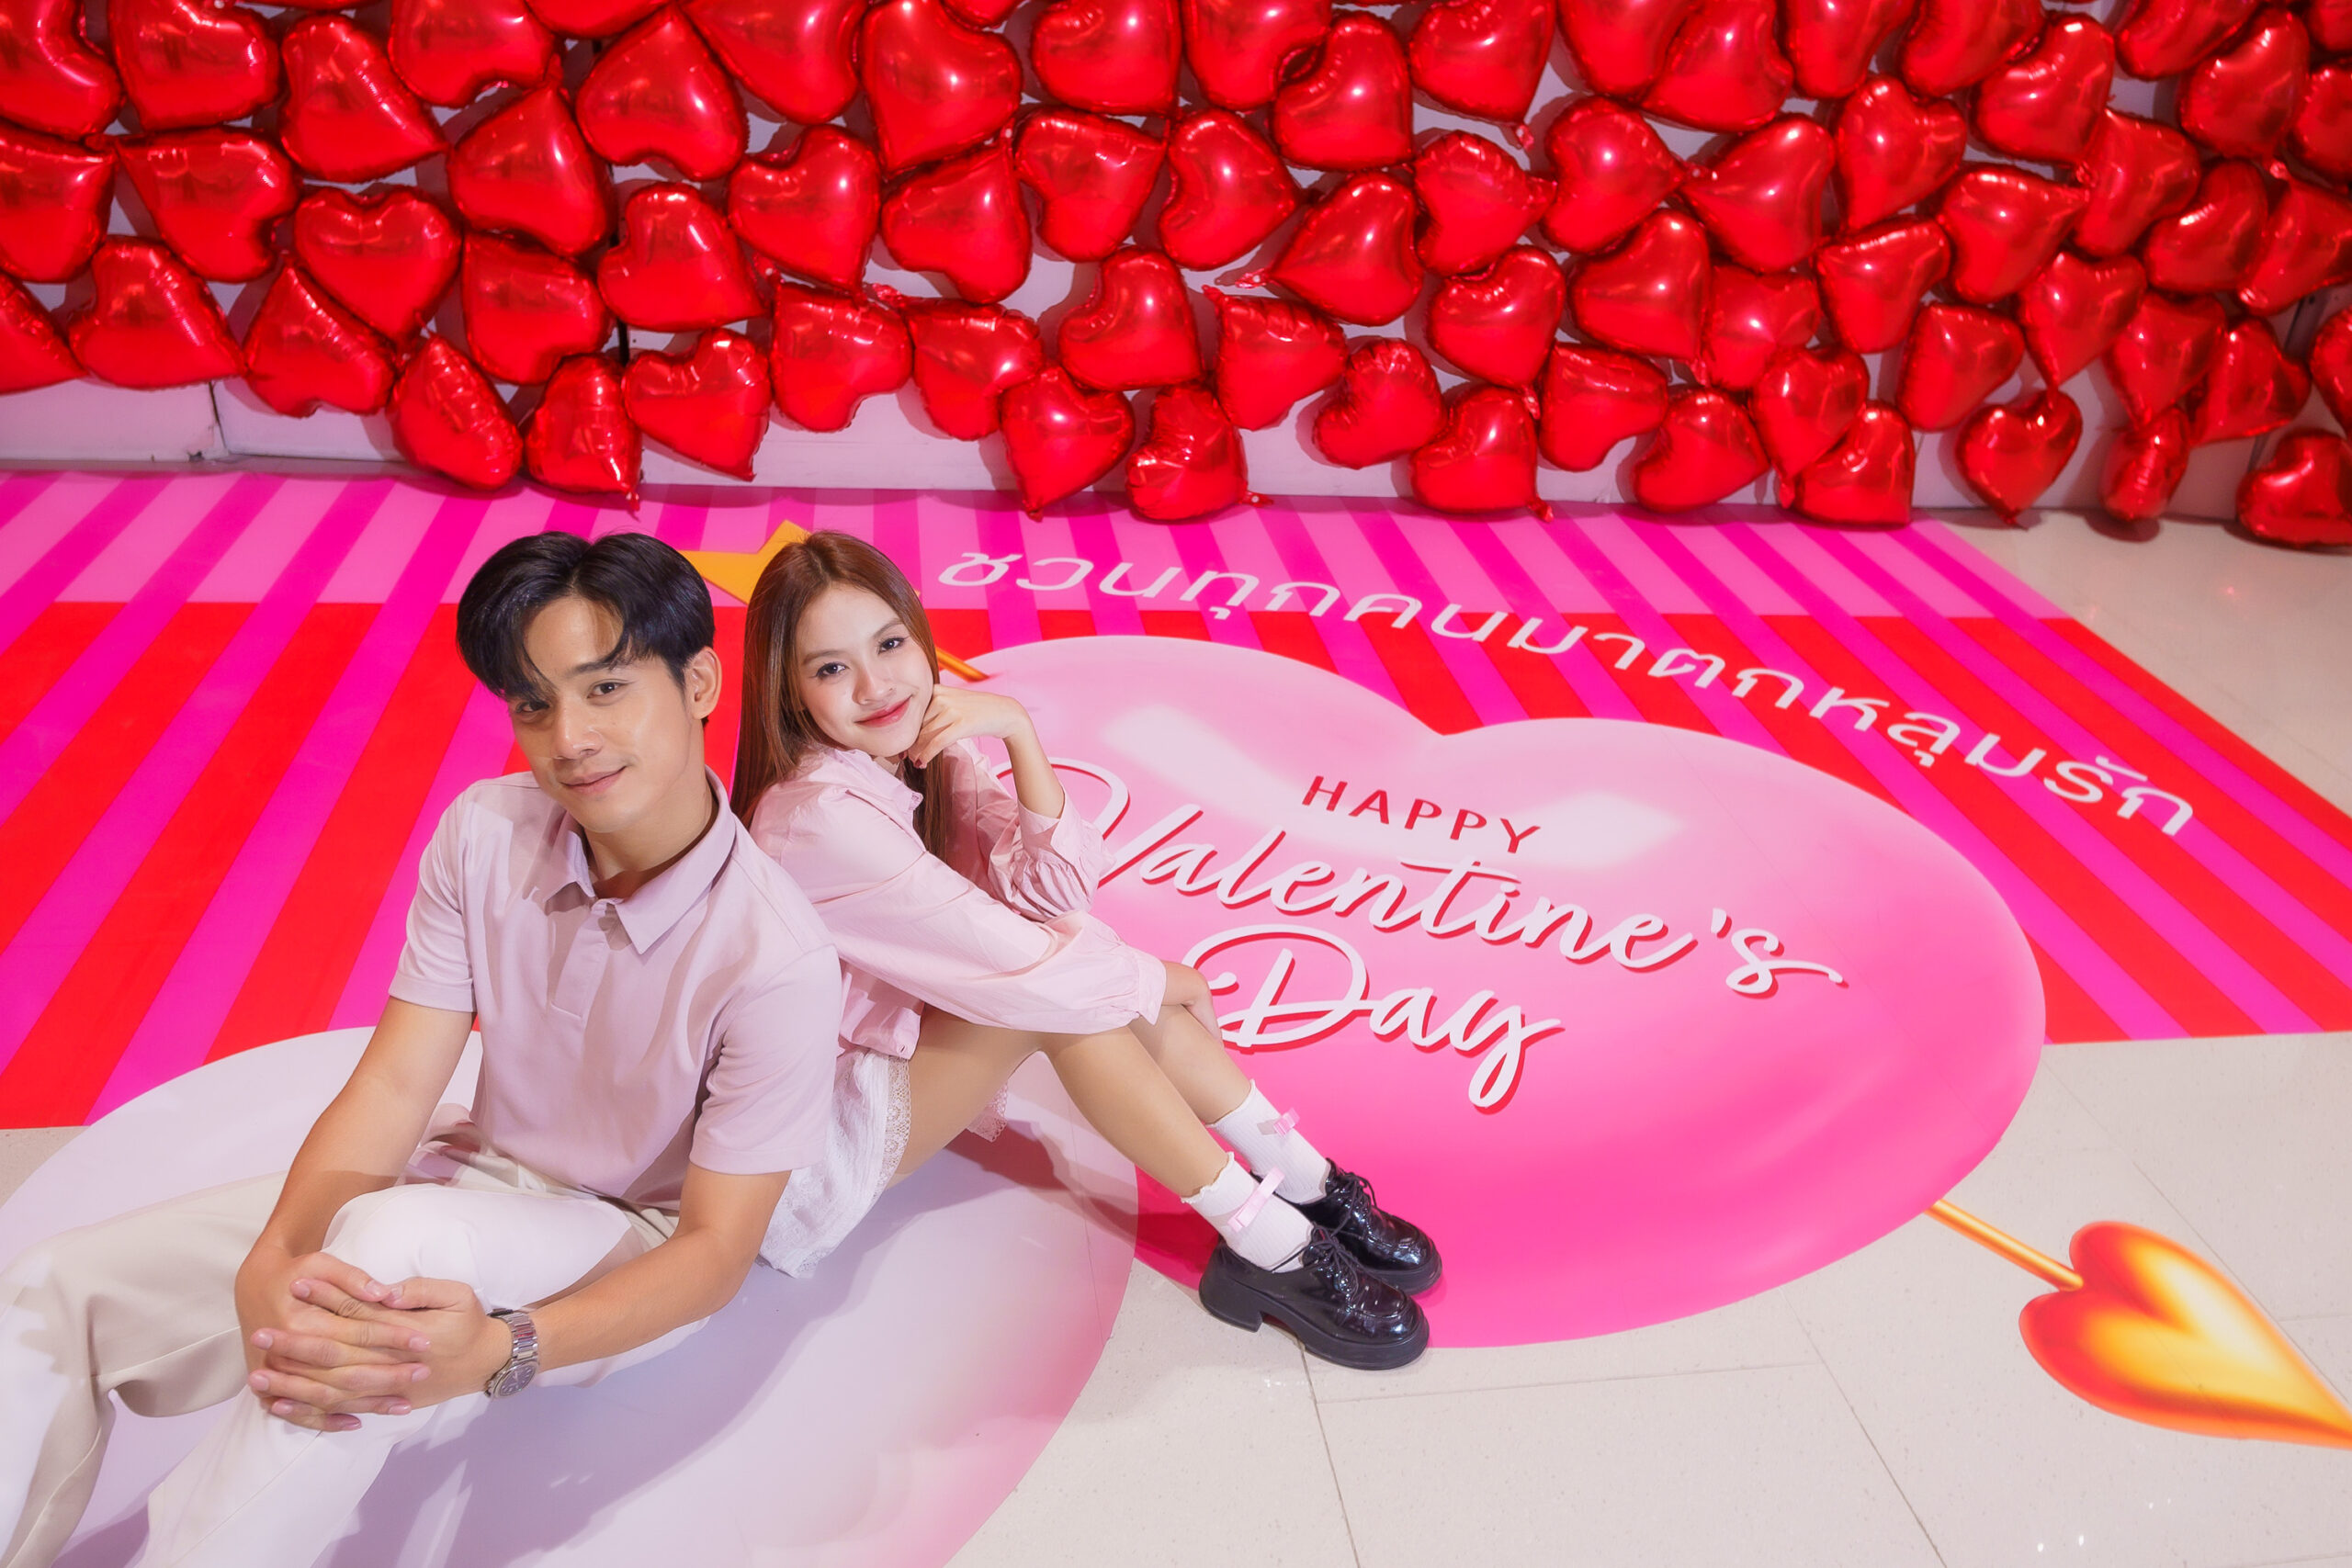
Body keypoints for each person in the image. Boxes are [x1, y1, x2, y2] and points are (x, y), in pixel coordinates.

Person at [0, 533, 842, 1568]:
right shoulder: (485, 831)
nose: (570, 738)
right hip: (470, 1177)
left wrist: (504, 1348)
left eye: (606, 688)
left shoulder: (778, 958)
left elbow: (712, 1254)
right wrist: (276, 1253)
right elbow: (398, 1081)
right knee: (50, 1289)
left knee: (385, 1246)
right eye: (533, 704)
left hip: (623, 1240)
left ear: (699, 681)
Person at [737, 532, 1438, 1371]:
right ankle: (1273, 1242)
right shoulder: (819, 817)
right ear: (788, 688)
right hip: (812, 1135)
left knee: (1075, 977)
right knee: (1063, 1000)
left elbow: (1056, 890)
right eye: (830, 667)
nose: (875, 685)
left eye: (889, 644)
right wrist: (1166, 978)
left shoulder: (921, 750)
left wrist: (1018, 731)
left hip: (903, 1054)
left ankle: (1303, 1180)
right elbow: (1023, 965)